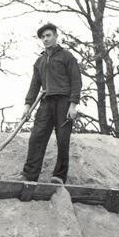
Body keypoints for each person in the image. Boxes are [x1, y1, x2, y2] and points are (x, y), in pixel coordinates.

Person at [17, 23, 82, 184]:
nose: (45, 39)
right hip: (46, 103)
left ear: (55, 36)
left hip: (64, 102)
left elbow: (76, 81)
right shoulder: (39, 61)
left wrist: (73, 105)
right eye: (43, 37)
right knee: (36, 137)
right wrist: (27, 105)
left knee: (62, 140)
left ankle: (59, 176)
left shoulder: (67, 56)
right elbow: (34, 85)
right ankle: (29, 175)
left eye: (48, 35)